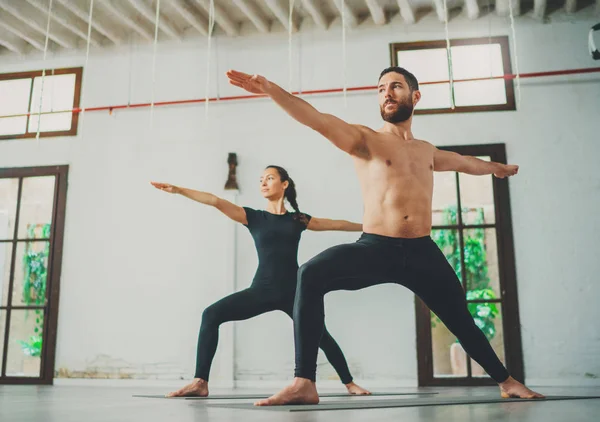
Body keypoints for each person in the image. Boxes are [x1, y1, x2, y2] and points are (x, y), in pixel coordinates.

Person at [226, 67, 545, 406]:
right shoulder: (365, 140)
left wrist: (494, 168)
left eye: (395, 86)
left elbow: (463, 162)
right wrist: (272, 89)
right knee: (311, 273)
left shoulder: (426, 151)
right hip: (376, 247)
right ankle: (304, 381)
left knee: (460, 318)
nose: (387, 93)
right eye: (380, 89)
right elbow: (316, 119)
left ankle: (507, 381)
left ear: (415, 96)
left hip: (422, 251)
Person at [150, 165, 370, 397]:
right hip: (262, 290)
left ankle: (350, 384)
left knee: (320, 336)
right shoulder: (253, 217)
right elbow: (215, 200)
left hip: (295, 292)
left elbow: (336, 224)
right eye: (261, 179)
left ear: (284, 184)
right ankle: (200, 382)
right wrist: (179, 190)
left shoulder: (298, 219)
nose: (263, 183)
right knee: (211, 314)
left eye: (270, 178)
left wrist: (371, 228)